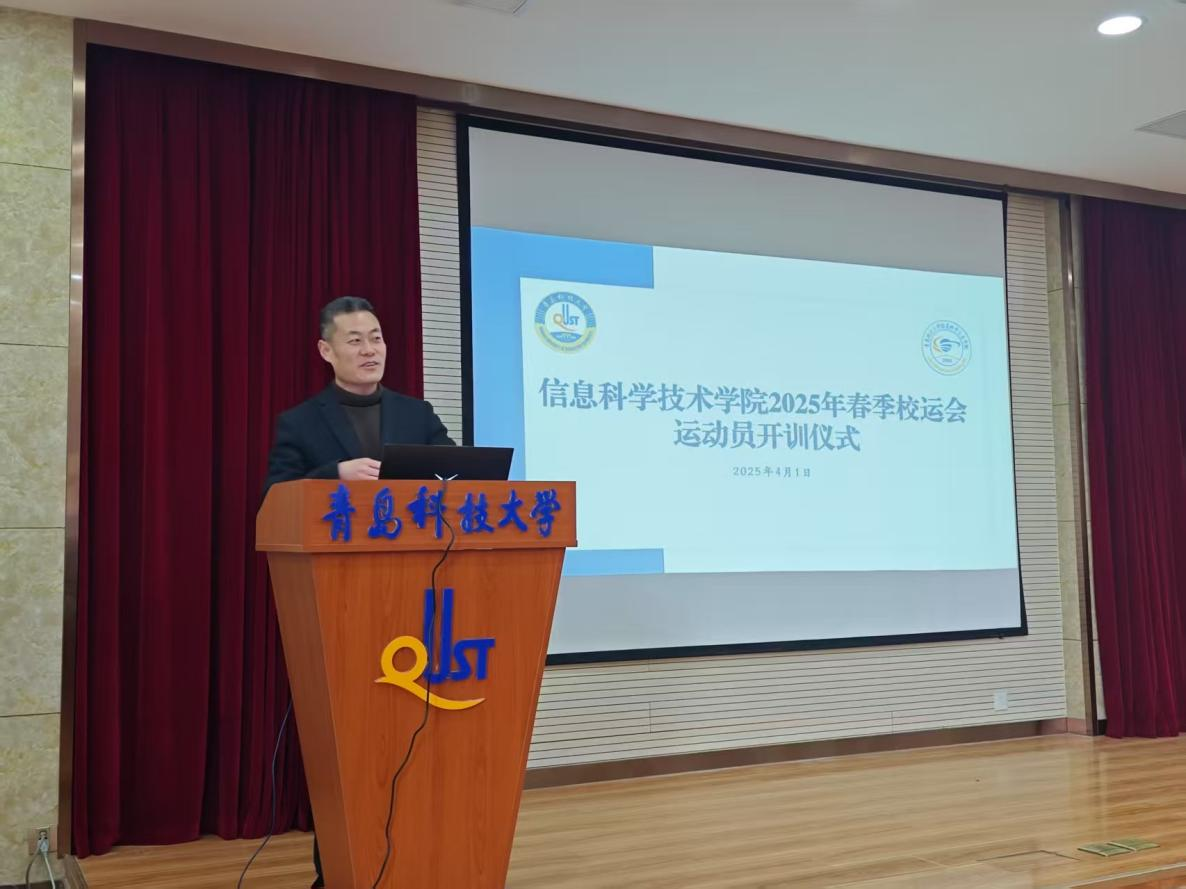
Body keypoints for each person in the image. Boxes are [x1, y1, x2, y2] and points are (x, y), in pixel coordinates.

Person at [263, 295, 454, 887]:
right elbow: (274, 496)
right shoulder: (300, 422)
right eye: (355, 340)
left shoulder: (417, 414)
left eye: (376, 337)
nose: (370, 350)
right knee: (348, 747)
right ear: (326, 351)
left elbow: (461, 477)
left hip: (417, 604)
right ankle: (341, 872)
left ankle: (419, 864)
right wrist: (332, 476)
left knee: (415, 744)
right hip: (338, 609)